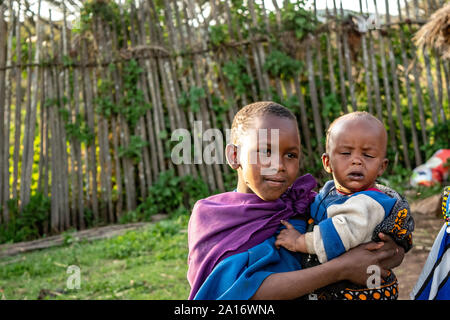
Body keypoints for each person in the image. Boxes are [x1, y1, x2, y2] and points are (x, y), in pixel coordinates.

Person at [187, 102, 407, 300]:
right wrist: (341, 268)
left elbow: (375, 245)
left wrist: (390, 251)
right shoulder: (212, 216)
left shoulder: (307, 205)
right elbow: (242, 292)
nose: (280, 165)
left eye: (290, 155)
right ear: (234, 156)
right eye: (265, 152)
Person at [275, 111, 414, 299]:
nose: (356, 160)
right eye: (346, 153)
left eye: (368, 155)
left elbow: (340, 233)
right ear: (327, 162)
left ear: (382, 166)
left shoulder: (371, 202)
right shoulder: (332, 192)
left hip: (358, 291)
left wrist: (298, 242)